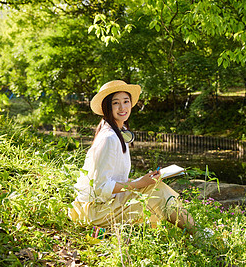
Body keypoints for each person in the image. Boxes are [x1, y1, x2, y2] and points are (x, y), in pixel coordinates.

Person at [68, 80, 195, 234]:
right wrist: (140, 183)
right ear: (107, 107)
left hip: (106, 204)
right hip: (95, 211)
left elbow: (111, 178)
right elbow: (101, 187)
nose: (122, 107)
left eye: (126, 101)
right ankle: (198, 234)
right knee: (160, 193)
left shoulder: (118, 131)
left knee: (157, 187)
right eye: (116, 103)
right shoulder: (109, 138)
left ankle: (196, 232)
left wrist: (142, 181)